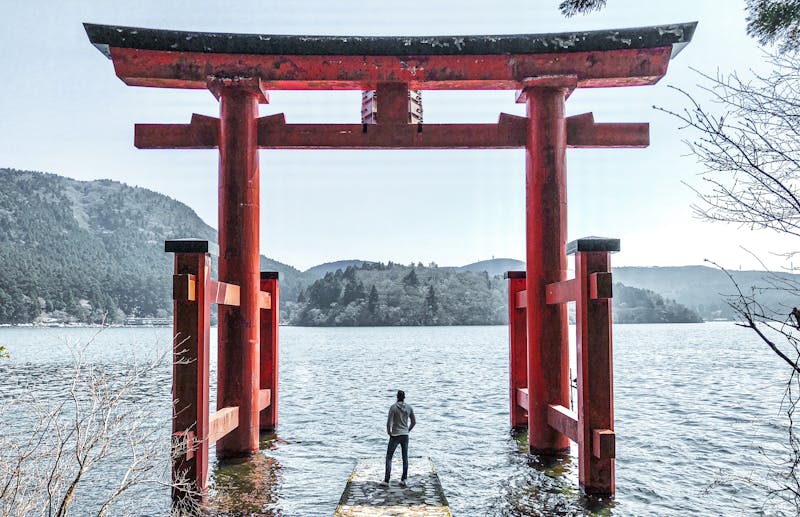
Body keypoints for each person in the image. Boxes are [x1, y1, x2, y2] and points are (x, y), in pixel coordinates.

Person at [382, 390, 415, 487]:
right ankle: (404, 479)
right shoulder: (409, 407)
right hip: (405, 435)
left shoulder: (393, 407)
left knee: (389, 457)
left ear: (397, 397)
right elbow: (413, 422)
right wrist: (407, 430)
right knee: (405, 457)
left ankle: (386, 481)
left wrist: (389, 432)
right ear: (404, 397)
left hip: (395, 435)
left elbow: (389, 422)